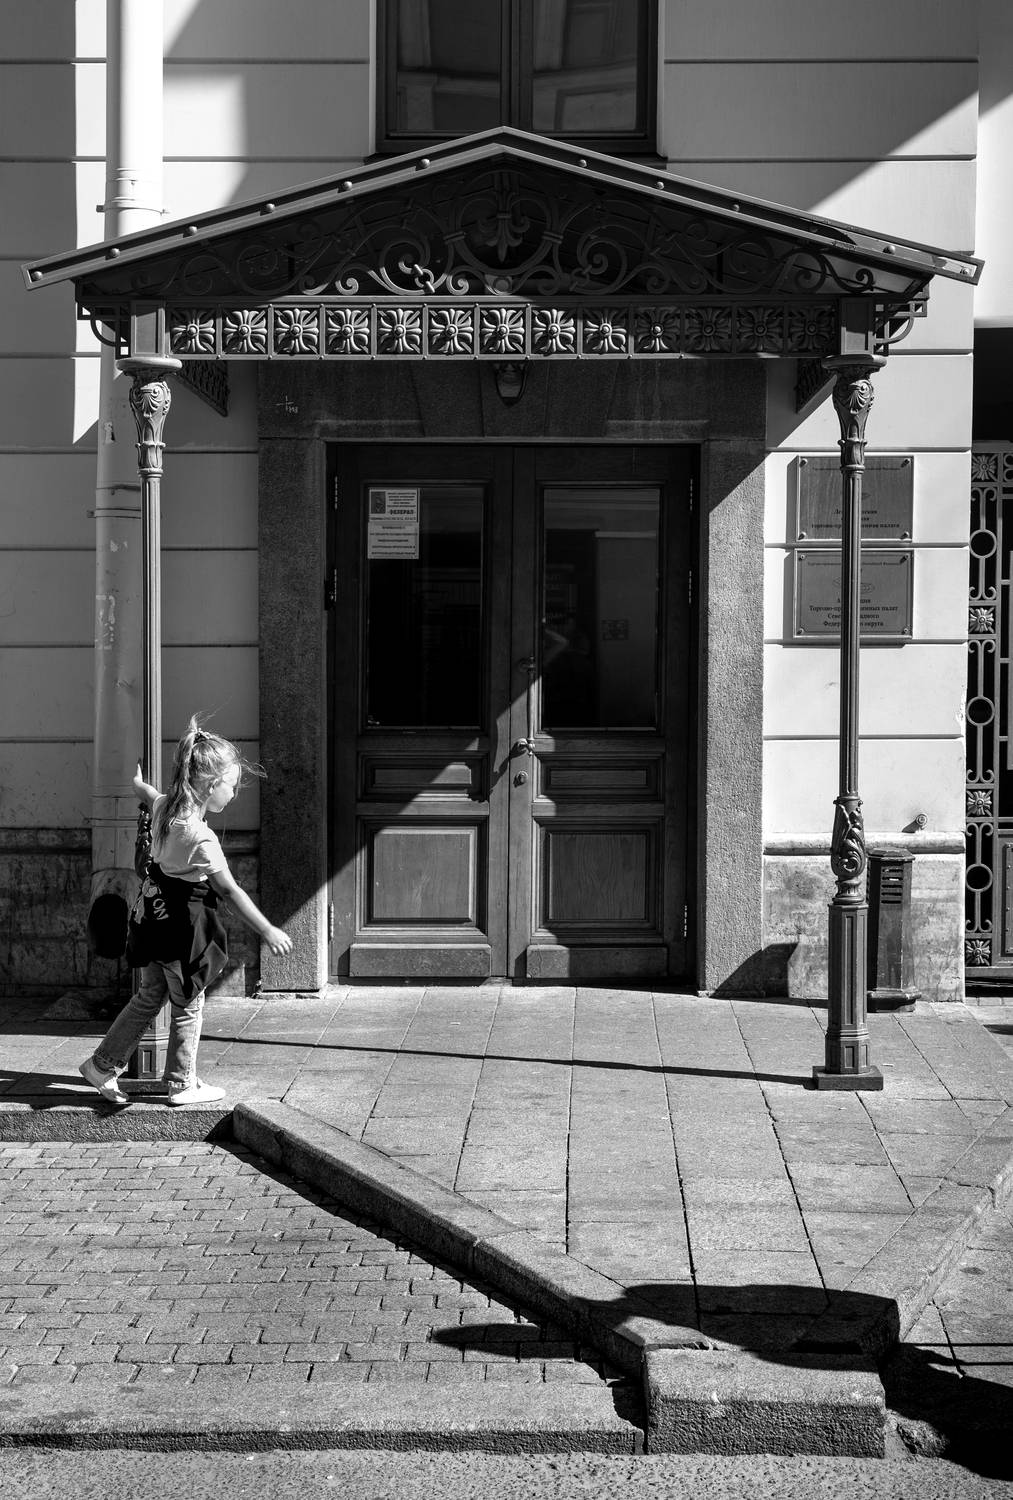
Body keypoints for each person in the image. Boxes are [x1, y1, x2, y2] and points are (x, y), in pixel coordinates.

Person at [78, 717, 292, 1107]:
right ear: (211, 785)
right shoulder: (200, 837)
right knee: (189, 1004)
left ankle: (102, 1064)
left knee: (149, 996)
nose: (233, 794)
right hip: (181, 933)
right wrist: (268, 930)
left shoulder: (164, 809)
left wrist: (136, 782)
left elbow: (147, 793)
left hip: (152, 924)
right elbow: (230, 890)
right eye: (232, 786)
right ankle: (181, 1083)